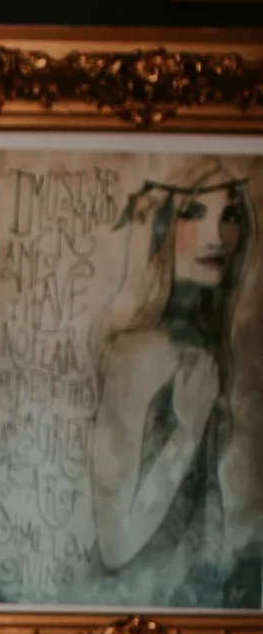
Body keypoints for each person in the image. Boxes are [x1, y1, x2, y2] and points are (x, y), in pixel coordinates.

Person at [84, 163, 263, 608]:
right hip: (132, 617)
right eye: (194, 213)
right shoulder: (135, 353)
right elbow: (116, 543)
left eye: (231, 216)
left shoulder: (206, 346)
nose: (216, 237)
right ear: (163, 226)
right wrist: (187, 430)